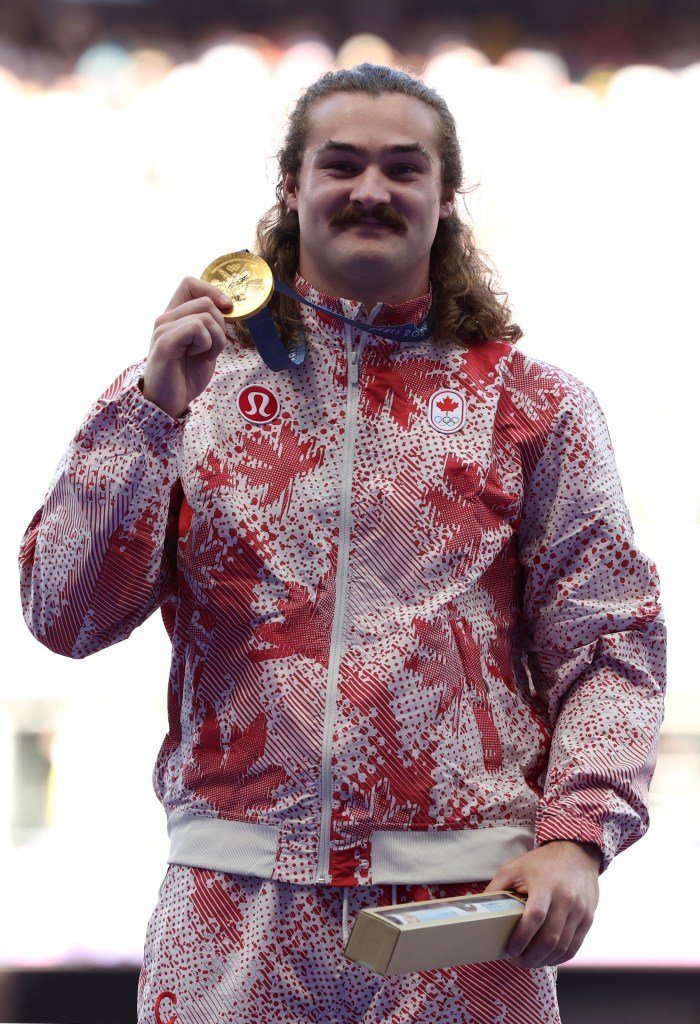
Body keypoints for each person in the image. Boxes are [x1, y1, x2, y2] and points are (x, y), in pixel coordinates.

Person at [20, 63, 666, 1024]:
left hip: (467, 909)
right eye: (343, 163)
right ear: (292, 187)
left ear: (446, 199)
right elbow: (63, 617)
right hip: (229, 903)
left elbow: (612, 647)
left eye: (405, 168)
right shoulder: (184, 393)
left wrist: (577, 836)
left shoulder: (537, 406)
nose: (372, 189)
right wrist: (148, 413)